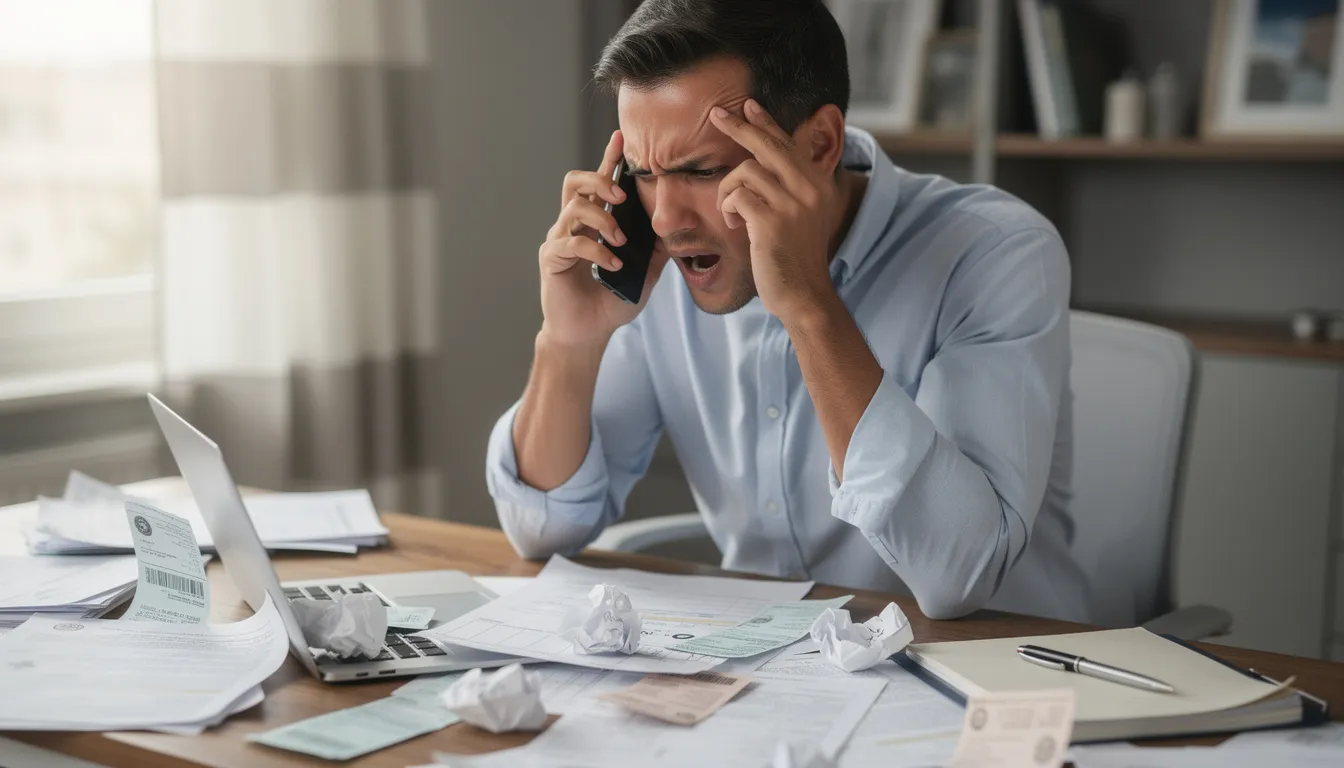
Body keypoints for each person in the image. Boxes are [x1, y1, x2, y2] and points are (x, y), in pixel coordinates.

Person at [485, 0, 1090, 622]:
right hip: (777, 675)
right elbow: (543, 529)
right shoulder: (659, 267)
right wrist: (568, 344)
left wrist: (808, 306)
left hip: (996, 678)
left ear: (820, 143)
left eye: (701, 170)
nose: (664, 220)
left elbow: (960, 577)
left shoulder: (995, 251)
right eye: (642, 172)